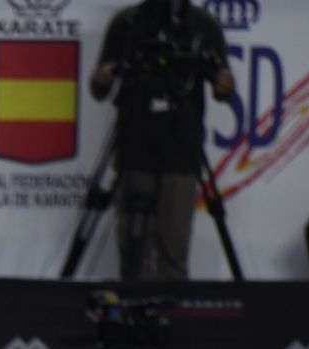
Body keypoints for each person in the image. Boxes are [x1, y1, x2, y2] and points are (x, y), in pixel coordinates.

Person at [87, 0, 235, 280]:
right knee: (133, 253)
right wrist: (102, 79)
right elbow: (98, 90)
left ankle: (172, 317)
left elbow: (222, 87)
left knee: (173, 250)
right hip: (135, 146)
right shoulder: (127, 23)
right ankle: (133, 317)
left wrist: (225, 85)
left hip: (181, 150)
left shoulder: (203, 26)